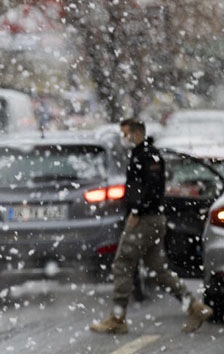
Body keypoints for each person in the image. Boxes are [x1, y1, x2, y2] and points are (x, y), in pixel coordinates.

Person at [90, 118, 213, 335]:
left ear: (136, 133)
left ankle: (117, 317)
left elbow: (151, 188)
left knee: (122, 263)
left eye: (125, 133)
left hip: (144, 220)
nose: (123, 138)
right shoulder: (146, 153)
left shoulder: (146, 156)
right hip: (153, 218)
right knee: (158, 269)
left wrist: (137, 211)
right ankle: (194, 306)